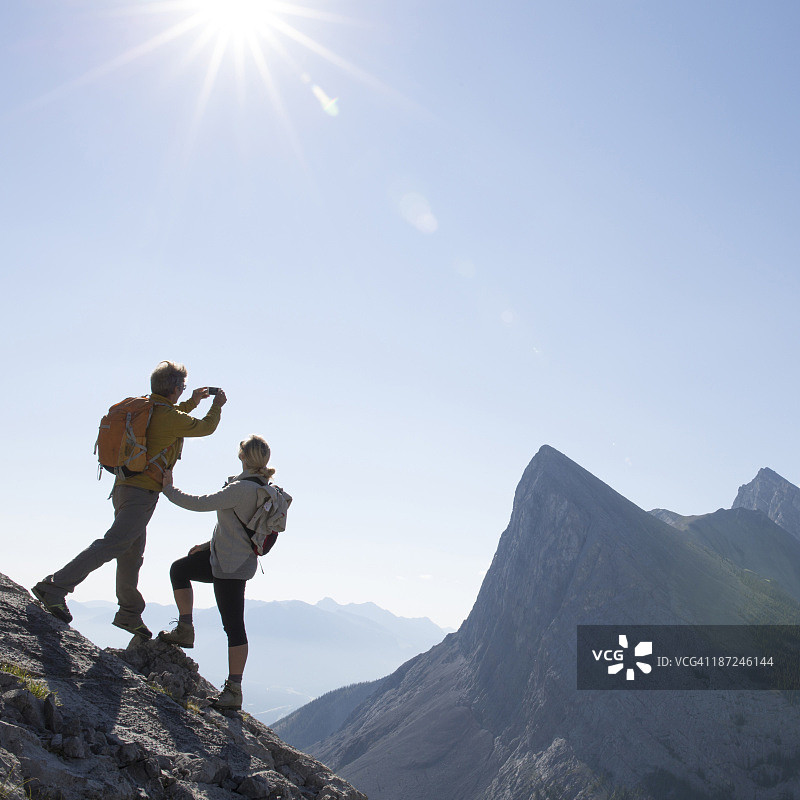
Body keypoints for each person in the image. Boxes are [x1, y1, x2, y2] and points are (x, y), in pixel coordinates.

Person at [33, 361, 226, 638]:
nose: (183, 391)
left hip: (125, 486)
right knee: (114, 543)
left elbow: (172, 417)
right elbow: (205, 428)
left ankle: (129, 613)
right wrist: (216, 404)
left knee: (131, 554)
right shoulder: (167, 415)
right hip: (141, 493)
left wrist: (192, 401)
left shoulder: (149, 407)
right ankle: (55, 587)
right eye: (182, 387)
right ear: (174, 388)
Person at [157, 434, 276, 711]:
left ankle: (234, 690)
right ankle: (185, 629)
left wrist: (169, 489)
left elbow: (199, 502)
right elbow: (239, 529)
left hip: (229, 567)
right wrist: (207, 545)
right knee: (180, 569)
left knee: (233, 627)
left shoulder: (241, 488)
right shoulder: (263, 488)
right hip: (228, 559)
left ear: (244, 456)